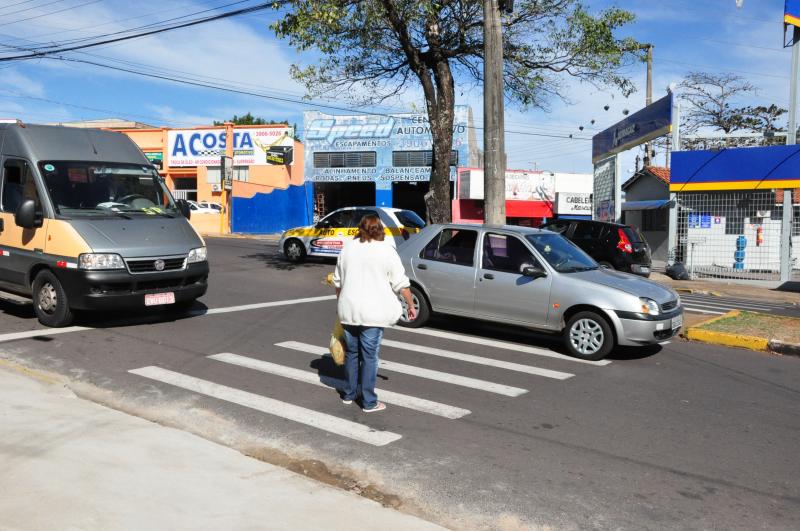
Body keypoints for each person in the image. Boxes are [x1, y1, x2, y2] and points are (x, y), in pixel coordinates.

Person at [332, 214, 416, 413]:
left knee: (352, 353)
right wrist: (411, 304)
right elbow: (401, 284)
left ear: (360, 228)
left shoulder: (347, 249)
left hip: (349, 310)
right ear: (380, 229)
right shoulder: (386, 250)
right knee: (369, 357)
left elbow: (337, 282)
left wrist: (341, 302)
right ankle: (369, 401)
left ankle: (349, 393)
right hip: (373, 312)